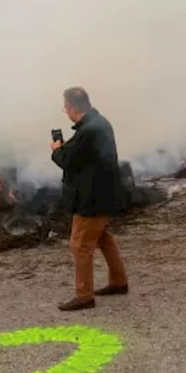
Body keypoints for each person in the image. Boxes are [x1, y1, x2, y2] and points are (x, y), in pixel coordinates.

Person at [50, 87, 129, 311]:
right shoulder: (98, 124)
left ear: (73, 108)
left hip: (91, 198)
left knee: (80, 244)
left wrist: (56, 149)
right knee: (103, 238)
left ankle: (84, 295)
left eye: (65, 109)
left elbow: (67, 160)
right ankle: (118, 281)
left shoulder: (89, 131)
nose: (65, 113)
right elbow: (81, 157)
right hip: (103, 193)